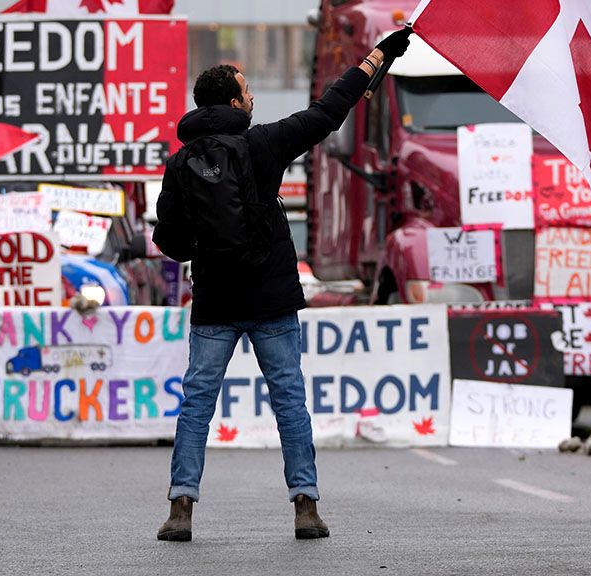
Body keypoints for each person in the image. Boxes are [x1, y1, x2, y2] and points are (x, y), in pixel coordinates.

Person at [152, 27, 411, 541]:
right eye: (248, 92)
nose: (253, 99)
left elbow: (170, 239)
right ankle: (306, 506)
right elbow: (327, 111)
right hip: (270, 299)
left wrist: (206, 246)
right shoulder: (263, 143)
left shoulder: (180, 163)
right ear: (233, 101)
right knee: (289, 401)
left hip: (214, 303)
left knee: (197, 403)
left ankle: (181, 508)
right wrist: (379, 56)